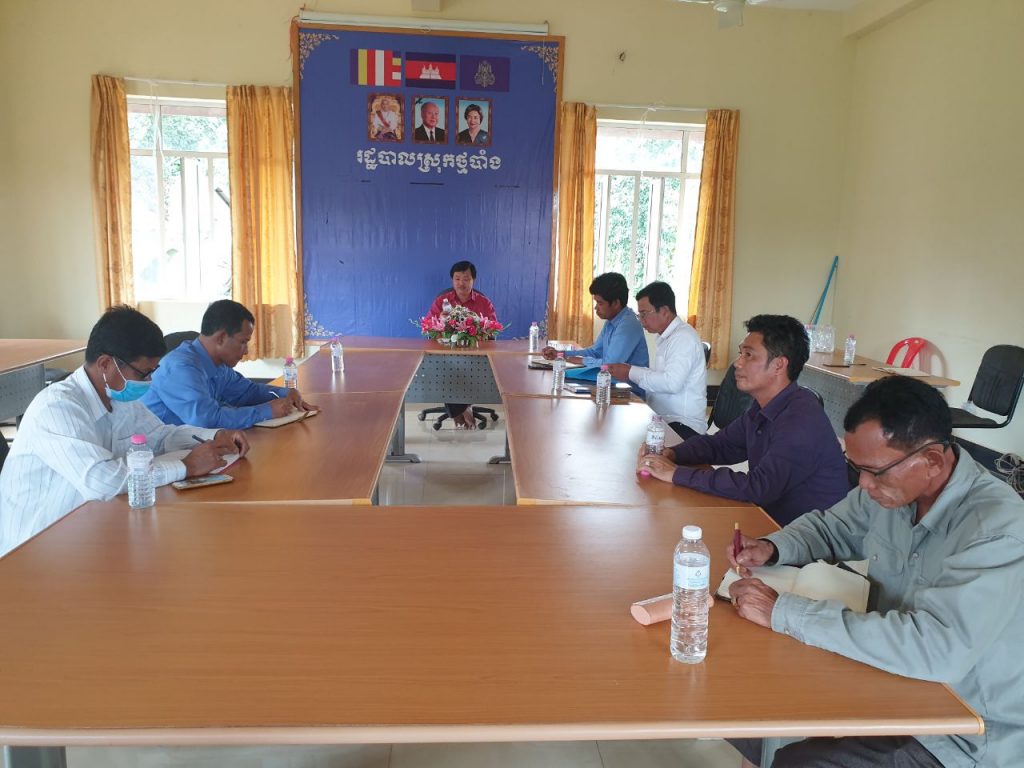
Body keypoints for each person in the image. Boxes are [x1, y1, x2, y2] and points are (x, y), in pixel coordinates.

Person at [727, 375, 1024, 768]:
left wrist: (784, 611)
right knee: (752, 696)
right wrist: (773, 547)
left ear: (932, 461)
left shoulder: (996, 530)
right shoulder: (893, 490)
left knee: (801, 762)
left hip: (962, 731)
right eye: (856, 468)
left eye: (875, 471)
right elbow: (832, 527)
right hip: (895, 679)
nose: (864, 484)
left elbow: (937, 649)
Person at [0, 306, 249, 558]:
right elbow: (102, 481)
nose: (149, 381)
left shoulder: (118, 398)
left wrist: (214, 436)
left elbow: (161, 437)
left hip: (87, 531)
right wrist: (186, 467)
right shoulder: (57, 408)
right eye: (144, 373)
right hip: (34, 549)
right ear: (105, 364)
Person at [638, 314, 847, 526]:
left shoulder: (801, 419)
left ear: (779, 365)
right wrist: (673, 454)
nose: (738, 363)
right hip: (773, 520)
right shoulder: (763, 406)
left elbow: (759, 488)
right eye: (741, 353)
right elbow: (721, 445)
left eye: (749, 355)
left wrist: (676, 474)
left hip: (806, 535)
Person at [143, 300, 316, 429]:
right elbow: (207, 420)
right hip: (158, 453)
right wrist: (266, 411)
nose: (246, 351)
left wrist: (286, 393)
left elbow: (247, 392)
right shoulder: (181, 368)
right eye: (243, 342)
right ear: (221, 338)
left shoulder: (218, 365)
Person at [606, 281, 706, 439]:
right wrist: (629, 371)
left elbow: (671, 383)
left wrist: (630, 372)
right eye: (639, 315)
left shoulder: (683, 338)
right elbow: (660, 376)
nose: (641, 320)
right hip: (663, 419)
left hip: (682, 426)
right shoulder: (668, 337)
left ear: (664, 311)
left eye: (644, 314)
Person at [428, 260, 497, 429]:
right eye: (457, 279)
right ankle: (463, 409)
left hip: (475, 354)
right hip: (446, 353)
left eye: (466, 279)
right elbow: (429, 327)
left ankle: (459, 410)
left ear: (474, 280)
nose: (461, 283)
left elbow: (492, 330)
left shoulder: (484, 303)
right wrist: (441, 322)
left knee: (465, 367)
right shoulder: (442, 301)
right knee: (447, 367)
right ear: (452, 280)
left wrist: (479, 328)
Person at [541, 272, 649, 374]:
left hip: (627, 386)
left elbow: (610, 365)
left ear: (616, 303)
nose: (596, 308)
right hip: (610, 380)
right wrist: (561, 354)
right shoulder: (611, 321)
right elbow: (595, 352)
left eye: (600, 303)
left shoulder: (628, 325)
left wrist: (577, 360)